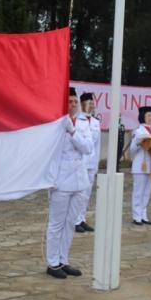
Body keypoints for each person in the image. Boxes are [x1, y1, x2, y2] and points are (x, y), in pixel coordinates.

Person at [46, 87, 93, 279]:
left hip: (80, 180)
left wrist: (73, 131)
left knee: (70, 223)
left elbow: (88, 148)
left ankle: (64, 260)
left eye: (75, 101)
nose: (73, 105)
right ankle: (52, 262)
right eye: (70, 101)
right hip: (61, 179)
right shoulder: (55, 122)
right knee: (56, 223)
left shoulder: (82, 123)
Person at [129, 106, 151, 225]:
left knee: (147, 192)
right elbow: (132, 150)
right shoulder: (138, 131)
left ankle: (143, 215)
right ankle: (136, 216)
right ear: (142, 117)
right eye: (148, 115)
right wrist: (138, 142)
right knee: (138, 191)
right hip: (140, 165)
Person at [75, 92, 100, 233]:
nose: (92, 104)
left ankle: (81, 218)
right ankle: (75, 220)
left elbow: (96, 146)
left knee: (86, 193)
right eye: (89, 102)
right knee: (78, 192)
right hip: (80, 162)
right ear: (82, 104)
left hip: (91, 163)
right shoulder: (77, 120)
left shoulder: (96, 122)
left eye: (92, 102)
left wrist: (96, 165)